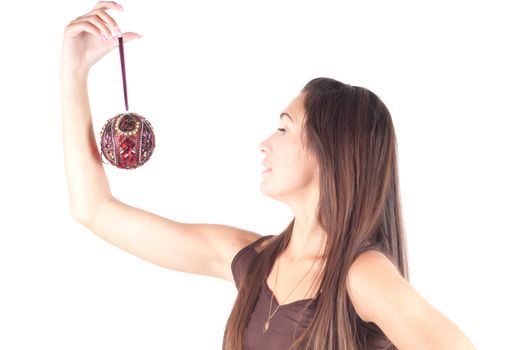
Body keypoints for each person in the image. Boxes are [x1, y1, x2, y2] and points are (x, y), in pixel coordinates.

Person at [61, 2, 477, 349]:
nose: (264, 142)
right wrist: (74, 71)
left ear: (330, 151)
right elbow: (94, 209)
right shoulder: (252, 260)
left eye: (283, 128)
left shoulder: (362, 275)